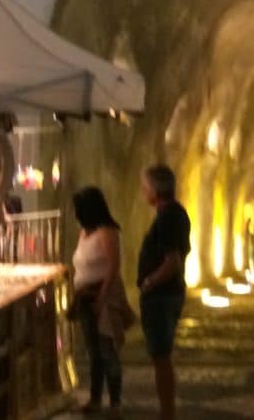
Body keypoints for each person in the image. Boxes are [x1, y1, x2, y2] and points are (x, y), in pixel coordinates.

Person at [71, 186, 134, 416]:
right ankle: (95, 398)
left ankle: (115, 402)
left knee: (108, 350)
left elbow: (113, 266)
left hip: (104, 298)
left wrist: (103, 297)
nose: (76, 215)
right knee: (93, 351)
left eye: (79, 210)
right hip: (85, 298)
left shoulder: (107, 232)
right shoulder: (85, 232)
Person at [136, 165, 191, 420]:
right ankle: (166, 411)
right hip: (168, 293)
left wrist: (149, 282)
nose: (143, 191)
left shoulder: (169, 217)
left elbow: (173, 260)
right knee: (161, 355)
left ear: (157, 190)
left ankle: (167, 413)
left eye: (145, 186)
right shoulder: (175, 213)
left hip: (162, 296)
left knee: (161, 356)